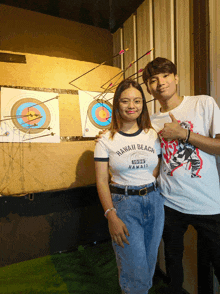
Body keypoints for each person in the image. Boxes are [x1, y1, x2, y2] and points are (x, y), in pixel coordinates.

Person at [142, 57, 220, 293]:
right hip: (170, 203)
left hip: (209, 203)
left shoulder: (202, 104)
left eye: (165, 76)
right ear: (148, 87)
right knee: (174, 267)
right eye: (153, 80)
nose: (160, 83)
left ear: (176, 78)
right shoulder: (151, 121)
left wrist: (183, 134)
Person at [94, 79, 165, 294]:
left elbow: (156, 170)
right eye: (125, 101)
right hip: (124, 206)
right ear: (116, 104)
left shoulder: (153, 135)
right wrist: (111, 215)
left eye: (137, 100)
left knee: (148, 265)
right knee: (134, 271)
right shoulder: (105, 140)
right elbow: (100, 181)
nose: (131, 105)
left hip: (154, 202)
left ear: (143, 104)